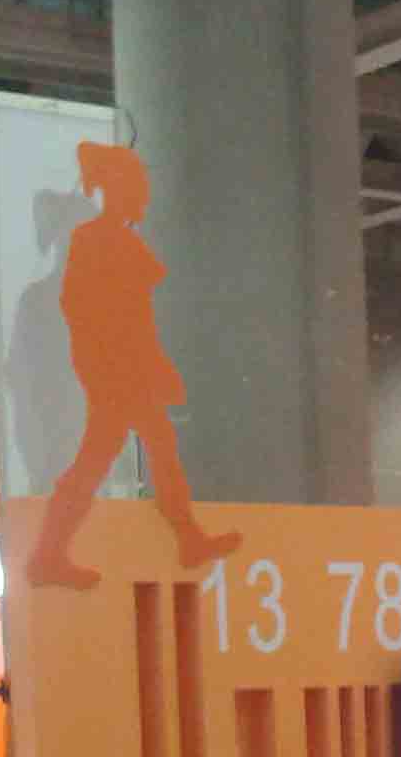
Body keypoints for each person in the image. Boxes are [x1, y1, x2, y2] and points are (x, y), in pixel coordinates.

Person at [26, 142, 241, 590]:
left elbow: (134, 319)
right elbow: (96, 313)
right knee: (103, 456)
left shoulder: (116, 241)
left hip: (123, 371)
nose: (143, 196)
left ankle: (185, 537)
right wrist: (131, 366)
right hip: (115, 374)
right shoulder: (96, 240)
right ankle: (48, 555)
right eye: (137, 188)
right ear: (120, 190)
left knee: (148, 446)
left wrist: (153, 366)